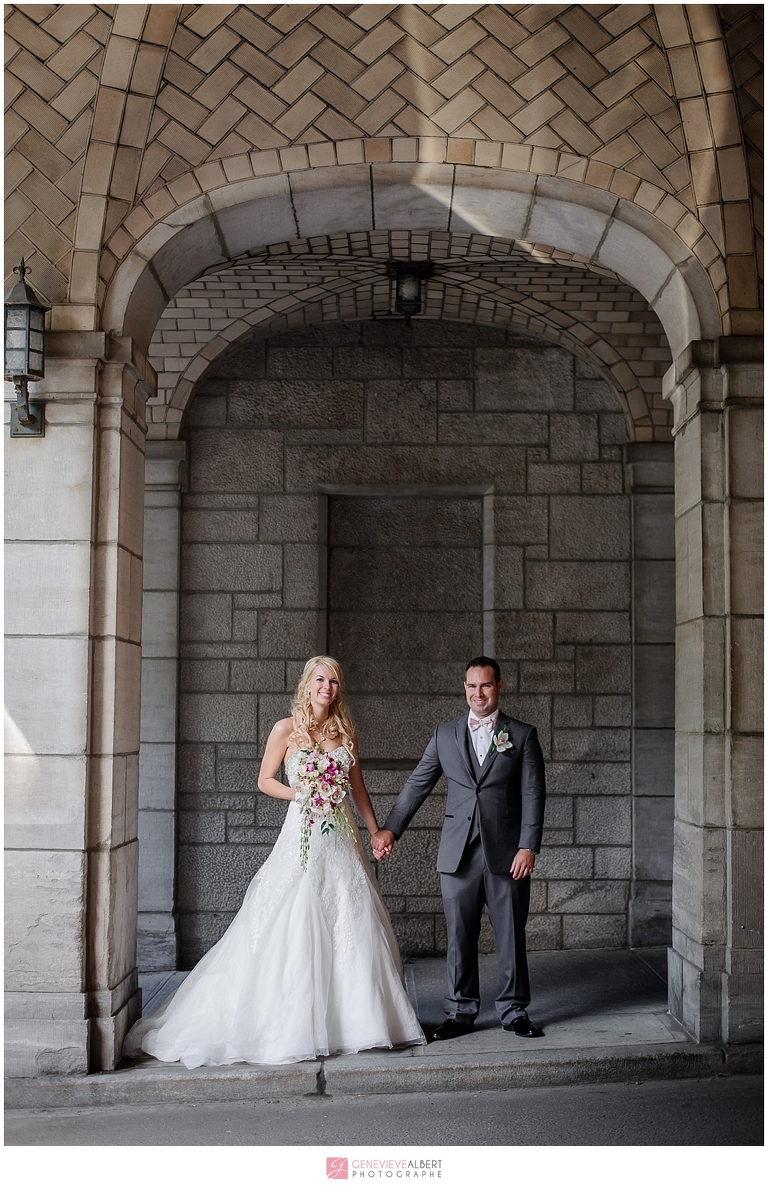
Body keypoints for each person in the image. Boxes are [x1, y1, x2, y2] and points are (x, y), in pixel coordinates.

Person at [124, 656, 425, 1068]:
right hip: (301, 834)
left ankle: (353, 1022)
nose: (328, 687)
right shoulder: (286, 729)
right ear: (307, 684)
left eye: (335, 681)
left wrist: (374, 832)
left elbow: (358, 789)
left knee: (348, 916)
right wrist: (300, 794)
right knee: (294, 915)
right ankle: (288, 1023)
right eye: (321, 679)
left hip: (339, 838)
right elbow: (265, 779)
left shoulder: (345, 732)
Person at [371, 656, 546, 1040]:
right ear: (463, 688)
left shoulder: (522, 734)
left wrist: (527, 846)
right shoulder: (444, 735)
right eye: (471, 686)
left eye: (485, 685)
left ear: (499, 686)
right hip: (458, 854)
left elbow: (533, 794)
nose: (478, 693)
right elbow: (417, 785)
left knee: (511, 933)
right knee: (459, 935)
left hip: (507, 854)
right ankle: (459, 1013)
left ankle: (514, 1011)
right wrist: (389, 831)